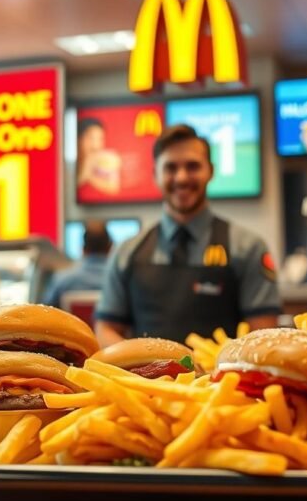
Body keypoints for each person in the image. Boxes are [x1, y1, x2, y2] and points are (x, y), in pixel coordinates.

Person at [95, 124, 281, 346]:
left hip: (221, 380)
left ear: (210, 171)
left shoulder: (249, 248)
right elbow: (105, 329)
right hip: (144, 380)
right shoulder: (127, 252)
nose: (181, 178)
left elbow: (264, 335)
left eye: (192, 166)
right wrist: (137, 365)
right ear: (156, 174)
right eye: (171, 168)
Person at [42, 220, 112, 308]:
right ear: (110, 248)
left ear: (83, 249)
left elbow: (46, 309)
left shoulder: (63, 279)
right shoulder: (119, 281)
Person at [75, 118, 122, 196]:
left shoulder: (104, 161)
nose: (95, 145)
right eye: (90, 138)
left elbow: (113, 187)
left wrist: (90, 176)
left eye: (100, 139)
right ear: (78, 139)